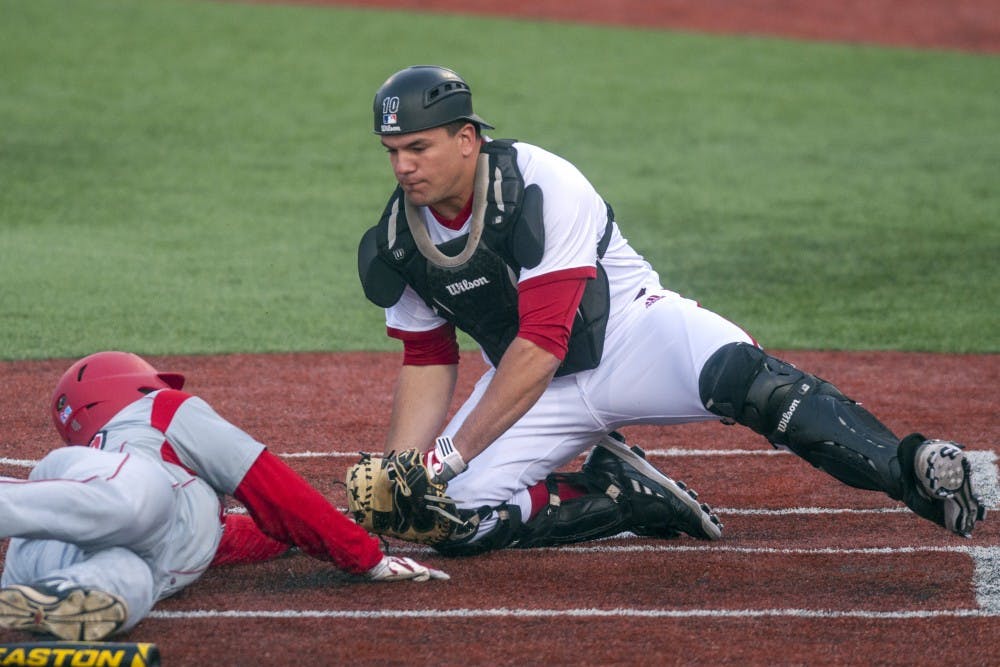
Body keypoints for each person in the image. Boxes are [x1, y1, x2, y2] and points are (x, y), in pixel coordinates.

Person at [356, 65, 985, 556]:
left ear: (467, 139)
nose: (402, 166)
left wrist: (442, 459)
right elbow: (427, 357)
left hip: (638, 334)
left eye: (418, 147)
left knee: (758, 387)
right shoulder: (396, 239)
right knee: (437, 519)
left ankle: (914, 471)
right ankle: (617, 495)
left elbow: (545, 340)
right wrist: (403, 475)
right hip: (532, 390)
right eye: (391, 151)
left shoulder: (541, 184)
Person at [0, 351, 448, 642]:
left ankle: (56, 594)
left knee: (133, 580)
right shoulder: (161, 410)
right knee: (140, 502)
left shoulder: (191, 513)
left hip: (48, 554)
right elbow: (271, 488)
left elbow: (257, 529)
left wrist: (344, 525)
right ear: (128, 385)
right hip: (108, 496)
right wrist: (365, 556)